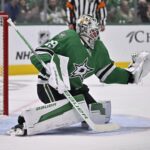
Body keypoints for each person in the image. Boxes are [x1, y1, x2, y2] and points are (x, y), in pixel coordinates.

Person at [8, 15, 150, 136]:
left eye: (96, 31)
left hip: (73, 87)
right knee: (68, 113)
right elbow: (39, 53)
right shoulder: (69, 37)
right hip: (49, 86)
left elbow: (107, 74)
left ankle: (71, 110)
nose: (96, 34)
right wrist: (50, 70)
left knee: (98, 114)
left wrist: (130, 77)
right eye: (92, 31)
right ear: (83, 30)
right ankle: (24, 122)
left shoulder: (99, 48)